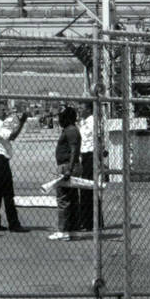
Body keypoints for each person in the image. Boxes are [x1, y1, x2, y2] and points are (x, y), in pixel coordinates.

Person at [0, 101, 29, 233]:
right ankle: (13, 224)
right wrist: (22, 122)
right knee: (8, 194)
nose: (5, 112)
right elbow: (12, 136)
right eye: (2, 110)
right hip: (0, 161)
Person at [51, 104, 82, 241]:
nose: (59, 119)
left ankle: (63, 231)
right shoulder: (71, 129)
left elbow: (74, 150)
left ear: (68, 118)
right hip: (69, 166)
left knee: (63, 199)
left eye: (61, 117)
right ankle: (73, 230)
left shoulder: (70, 130)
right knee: (72, 199)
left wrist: (69, 169)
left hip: (67, 167)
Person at [77, 101, 104, 232]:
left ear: (88, 109)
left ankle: (92, 221)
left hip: (91, 155)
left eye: (81, 107)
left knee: (89, 188)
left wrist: (99, 158)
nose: (79, 110)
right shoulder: (83, 122)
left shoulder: (93, 121)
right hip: (85, 155)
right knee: (85, 188)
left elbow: (98, 140)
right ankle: (89, 220)